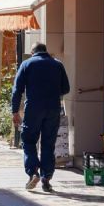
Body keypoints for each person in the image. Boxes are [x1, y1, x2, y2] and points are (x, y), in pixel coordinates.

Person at [12, 42, 70, 193]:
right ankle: (46, 178)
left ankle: (33, 173)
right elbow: (66, 88)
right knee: (48, 143)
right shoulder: (57, 65)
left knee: (29, 141)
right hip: (53, 110)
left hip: (33, 110)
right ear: (45, 51)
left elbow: (17, 90)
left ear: (33, 52)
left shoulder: (27, 64)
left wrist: (15, 111)